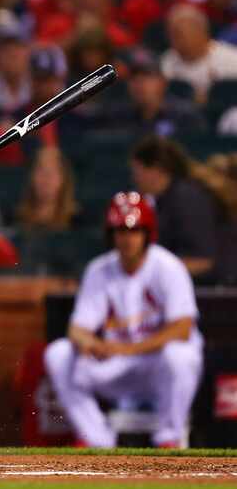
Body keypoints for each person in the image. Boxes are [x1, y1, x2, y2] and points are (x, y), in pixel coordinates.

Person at [44, 192, 203, 448]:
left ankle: (169, 437)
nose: (127, 238)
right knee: (59, 353)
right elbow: (77, 328)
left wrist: (126, 349)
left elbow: (183, 329)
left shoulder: (167, 266)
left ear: (147, 233)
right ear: (111, 234)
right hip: (117, 366)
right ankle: (96, 440)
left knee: (181, 355)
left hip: (156, 366)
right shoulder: (99, 269)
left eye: (134, 230)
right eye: (120, 230)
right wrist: (88, 343)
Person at [131, 136, 220, 278]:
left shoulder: (187, 200)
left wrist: (145, 270)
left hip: (211, 294)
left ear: (156, 169)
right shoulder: (162, 201)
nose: (135, 178)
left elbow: (202, 261)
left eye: (138, 171)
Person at [161, 4, 237, 102]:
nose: (172, 40)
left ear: (200, 31)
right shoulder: (167, 60)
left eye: (178, 34)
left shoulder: (232, 60)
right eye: (170, 34)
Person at [15, 147, 79, 231]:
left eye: (53, 171)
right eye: (41, 169)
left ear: (64, 178)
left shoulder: (77, 222)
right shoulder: (16, 219)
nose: (46, 178)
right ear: (31, 176)